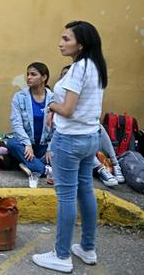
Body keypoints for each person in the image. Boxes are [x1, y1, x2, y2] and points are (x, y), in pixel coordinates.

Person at [32, 21, 108, 273]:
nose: (60, 43)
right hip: (90, 137)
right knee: (85, 190)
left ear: (81, 44)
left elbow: (67, 109)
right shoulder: (96, 66)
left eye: (66, 39)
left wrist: (51, 106)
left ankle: (61, 255)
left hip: (70, 140)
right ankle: (87, 248)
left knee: (66, 197)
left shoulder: (78, 69)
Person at [59, 66, 124, 187]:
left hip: (87, 137)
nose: (64, 77)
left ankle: (115, 164)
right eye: (62, 74)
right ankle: (101, 169)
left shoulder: (82, 96)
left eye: (67, 74)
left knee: (99, 127)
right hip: (67, 140)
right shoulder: (57, 95)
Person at [7, 62, 54, 179]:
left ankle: (31, 165)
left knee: (63, 146)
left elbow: (58, 127)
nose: (28, 77)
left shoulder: (54, 98)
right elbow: (16, 123)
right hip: (26, 146)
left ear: (44, 77)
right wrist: (27, 143)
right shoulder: (19, 97)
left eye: (33, 74)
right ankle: (43, 169)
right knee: (12, 143)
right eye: (28, 74)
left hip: (45, 146)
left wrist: (50, 148)